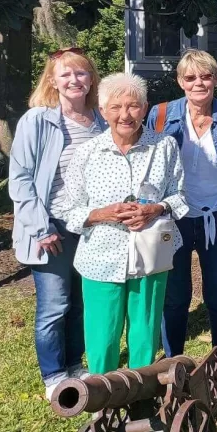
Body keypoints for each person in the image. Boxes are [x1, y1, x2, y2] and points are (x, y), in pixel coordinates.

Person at [62, 73, 188, 375]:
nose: (124, 115)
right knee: (102, 335)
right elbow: (69, 211)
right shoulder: (87, 153)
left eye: (133, 106)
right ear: (103, 111)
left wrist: (155, 209)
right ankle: (102, 401)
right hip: (101, 257)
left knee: (144, 332)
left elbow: (181, 197)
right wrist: (102, 214)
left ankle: (139, 400)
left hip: (150, 255)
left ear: (144, 109)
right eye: (115, 107)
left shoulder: (164, 146)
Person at [9, 48, 106, 399]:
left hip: (91, 226)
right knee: (55, 304)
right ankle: (53, 375)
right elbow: (20, 180)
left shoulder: (101, 121)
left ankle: (75, 362)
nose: (74, 80)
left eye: (81, 73)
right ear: (53, 81)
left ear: (91, 79)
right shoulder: (37, 121)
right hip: (51, 226)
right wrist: (41, 227)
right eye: (65, 74)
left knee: (81, 300)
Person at [149, 50, 217, 369]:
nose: (198, 83)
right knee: (175, 297)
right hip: (173, 218)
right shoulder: (160, 115)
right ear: (180, 81)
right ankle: (173, 363)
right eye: (190, 77)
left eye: (206, 76)